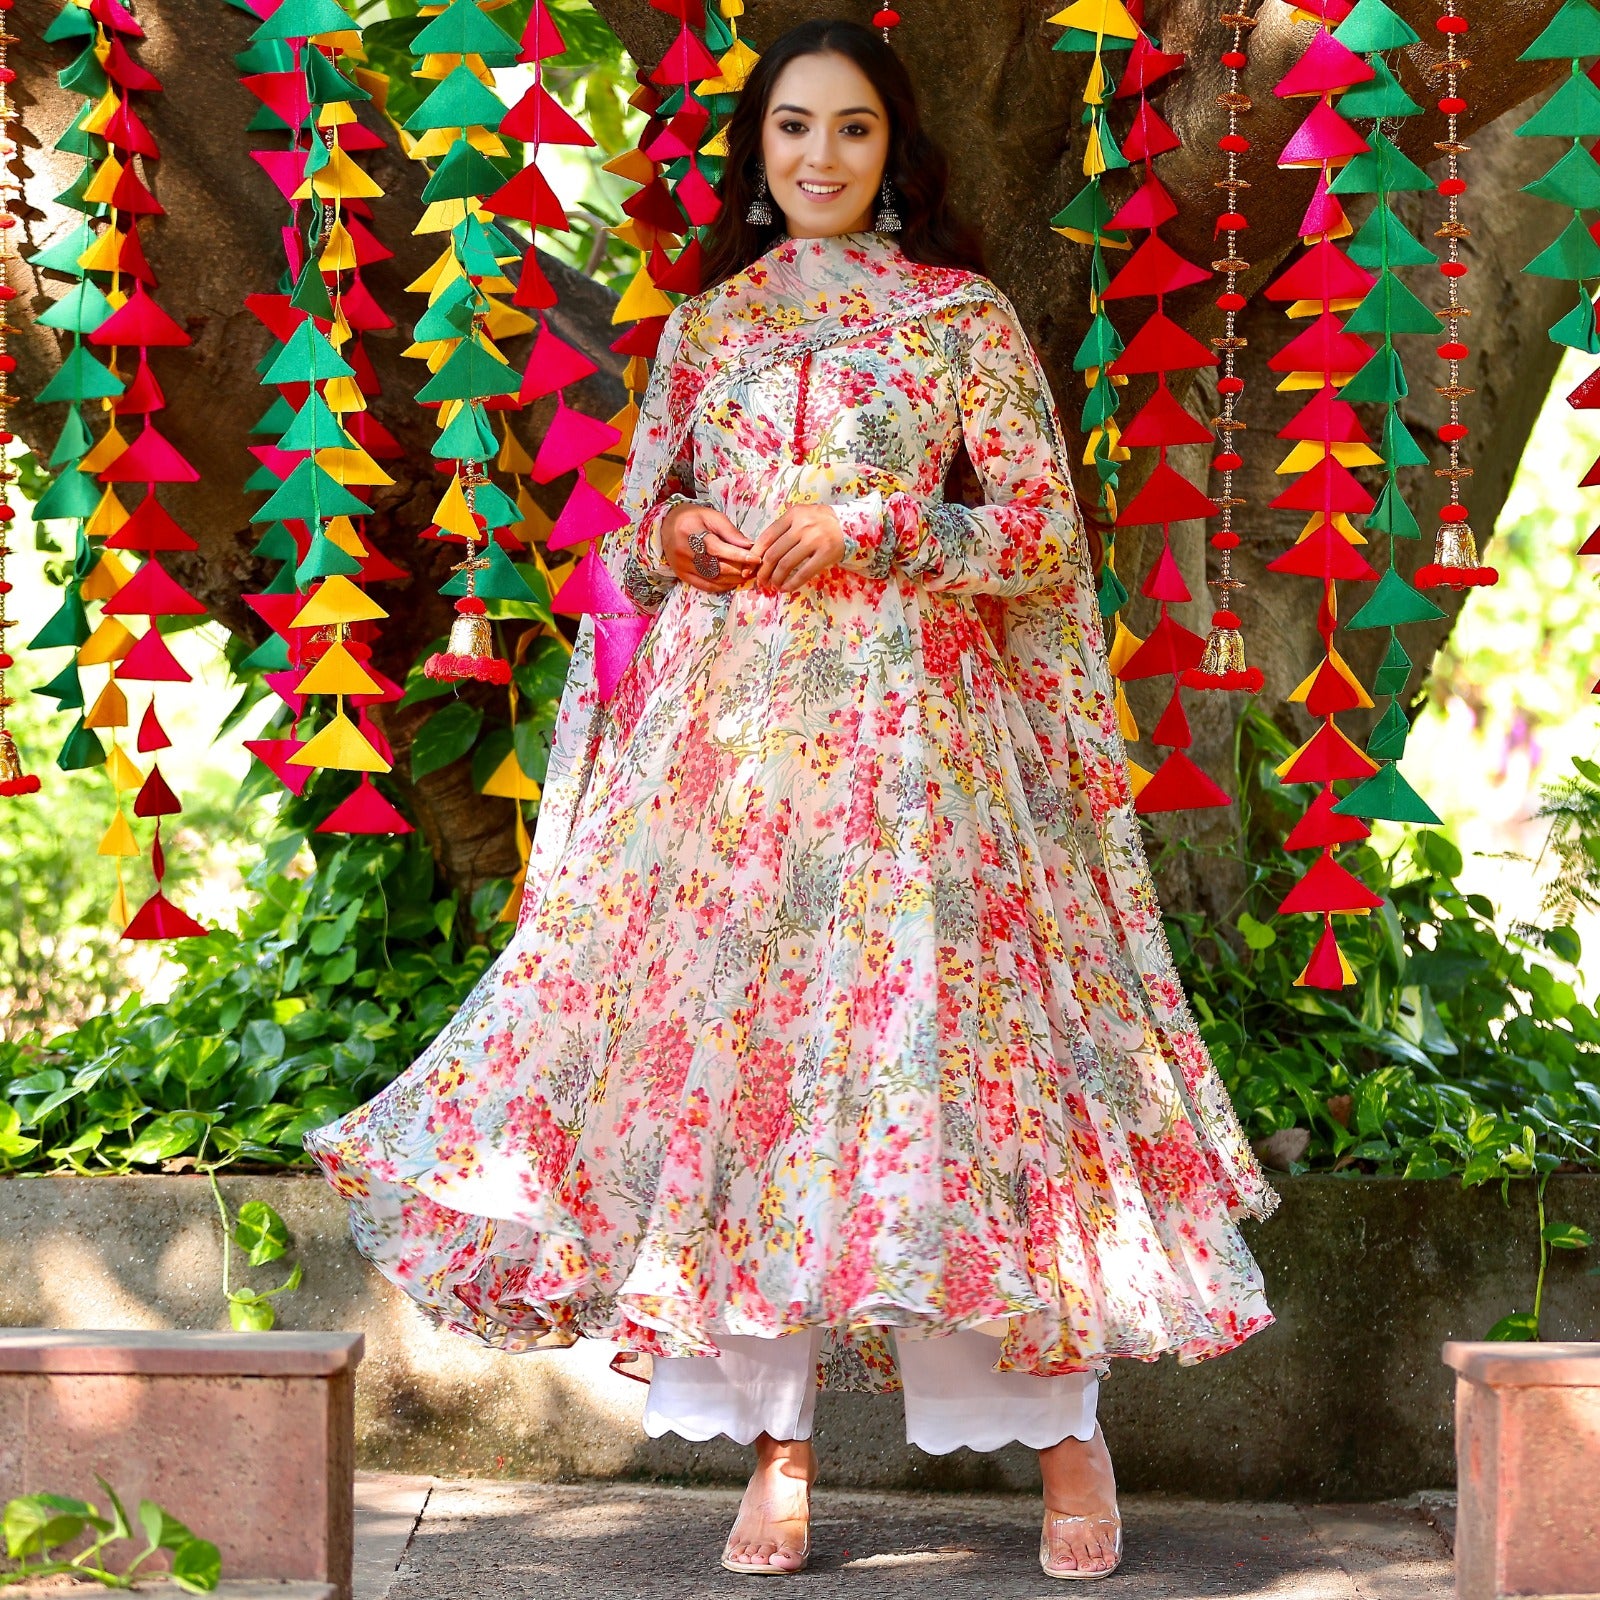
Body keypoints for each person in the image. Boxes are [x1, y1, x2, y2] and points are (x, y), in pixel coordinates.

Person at [304, 16, 1278, 1583]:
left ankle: (1068, 1442)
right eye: (792, 131)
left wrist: (883, 528)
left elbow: (1034, 534)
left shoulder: (959, 317)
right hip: (736, 768)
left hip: (922, 761)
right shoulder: (705, 329)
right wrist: (684, 541)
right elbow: (634, 536)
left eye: (852, 132)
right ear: (755, 156)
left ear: (894, 156)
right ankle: (779, 1450)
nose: (819, 158)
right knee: (742, 1083)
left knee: (956, 1079)